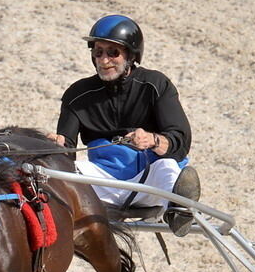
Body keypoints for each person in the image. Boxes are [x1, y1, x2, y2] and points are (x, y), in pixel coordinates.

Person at [47, 15, 200, 236]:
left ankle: (178, 212)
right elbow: (67, 150)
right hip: (103, 181)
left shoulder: (156, 85)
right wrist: (58, 145)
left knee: (167, 167)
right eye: (98, 52)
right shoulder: (76, 95)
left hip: (149, 181)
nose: (104, 60)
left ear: (130, 55)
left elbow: (181, 141)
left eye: (113, 53)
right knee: (59, 174)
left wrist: (153, 140)